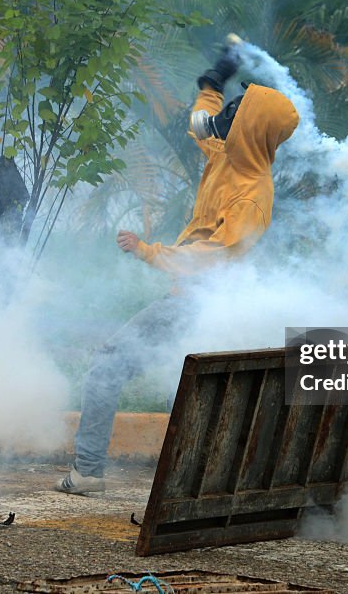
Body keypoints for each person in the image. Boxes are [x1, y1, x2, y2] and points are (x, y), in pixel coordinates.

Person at [55, 38, 300, 495]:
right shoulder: (230, 155)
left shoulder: (251, 193)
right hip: (190, 300)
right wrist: (211, 82)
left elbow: (215, 257)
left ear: (249, 126)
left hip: (200, 302)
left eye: (238, 106)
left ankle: (89, 473)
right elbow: (198, 127)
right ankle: (190, 484)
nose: (228, 109)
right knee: (181, 389)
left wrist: (150, 252)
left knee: (109, 364)